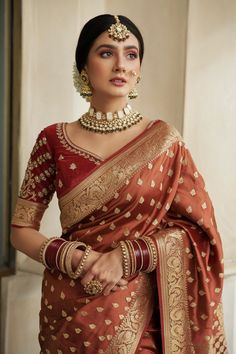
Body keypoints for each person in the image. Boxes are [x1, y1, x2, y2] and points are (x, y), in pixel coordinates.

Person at [11, 14, 228, 354]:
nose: (121, 65)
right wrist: (75, 259)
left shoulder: (164, 142)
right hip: (68, 306)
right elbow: (21, 229)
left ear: (139, 67)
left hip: (140, 309)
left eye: (131, 54)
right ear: (84, 64)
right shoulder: (53, 139)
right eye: (106, 53)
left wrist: (128, 257)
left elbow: (199, 232)